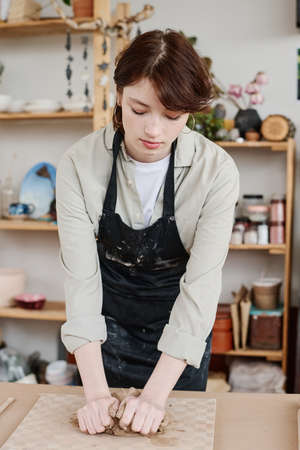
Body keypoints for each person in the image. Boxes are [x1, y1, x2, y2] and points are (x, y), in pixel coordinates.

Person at [56, 29, 239, 437]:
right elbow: (81, 280)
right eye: (140, 110)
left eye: (172, 116)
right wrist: (96, 394)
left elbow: (202, 285)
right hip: (103, 338)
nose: (154, 130)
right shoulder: (79, 164)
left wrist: (155, 396)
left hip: (178, 343)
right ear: (119, 95)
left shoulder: (216, 172)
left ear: (189, 112)